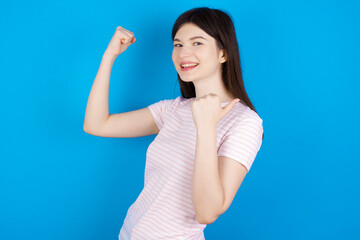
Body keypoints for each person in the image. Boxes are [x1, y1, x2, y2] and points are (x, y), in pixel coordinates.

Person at [83, 7, 264, 240]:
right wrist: (109, 56)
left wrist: (206, 127)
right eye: (178, 45)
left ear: (224, 53)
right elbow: (97, 125)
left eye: (197, 43)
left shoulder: (244, 121)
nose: (183, 53)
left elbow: (207, 212)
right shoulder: (173, 109)